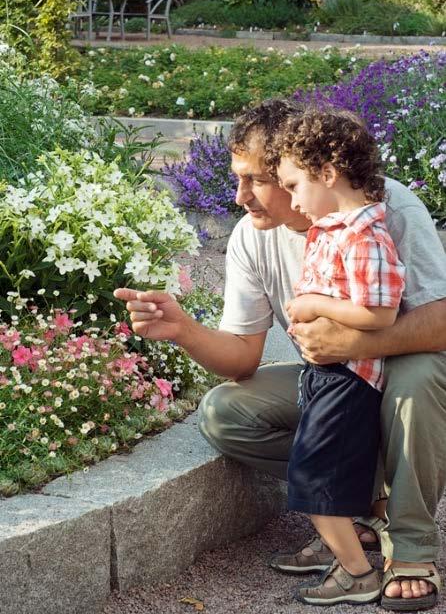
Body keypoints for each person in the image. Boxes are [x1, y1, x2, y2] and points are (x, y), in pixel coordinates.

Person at [114, 98, 446, 612]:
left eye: (259, 181)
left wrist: (359, 344)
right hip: (335, 380)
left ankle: (412, 549)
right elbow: (244, 358)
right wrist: (182, 329)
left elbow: (442, 322)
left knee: (418, 380)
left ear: (311, 173)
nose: (240, 196)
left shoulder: (386, 210)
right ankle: (359, 513)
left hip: (398, 369)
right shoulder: (253, 235)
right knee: (226, 412)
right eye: (237, 179)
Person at [271, 108, 406, 605]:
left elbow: (380, 313)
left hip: (347, 379)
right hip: (326, 375)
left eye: (293, 186)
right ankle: (349, 558)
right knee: (321, 475)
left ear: (328, 173)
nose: (290, 200)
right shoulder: (335, 230)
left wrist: (312, 304)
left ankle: (356, 573)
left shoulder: (363, 235)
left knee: (312, 479)